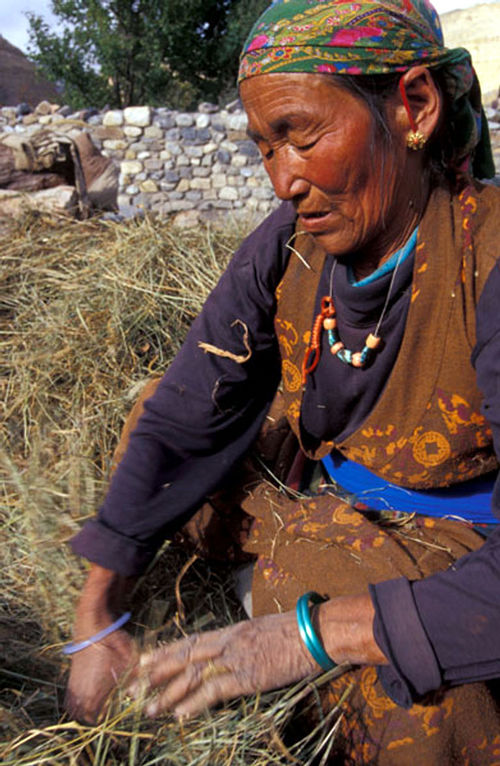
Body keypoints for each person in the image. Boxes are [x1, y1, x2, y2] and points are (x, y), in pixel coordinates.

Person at [63, 0, 500, 762]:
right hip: (328, 503)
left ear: (415, 107)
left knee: (428, 702)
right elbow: (185, 412)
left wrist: (312, 635)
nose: (283, 182)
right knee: (153, 426)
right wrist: (99, 612)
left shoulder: (487, 258)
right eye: (266, 148)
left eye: (301, 135)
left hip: (463, 558)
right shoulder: (291, 250)